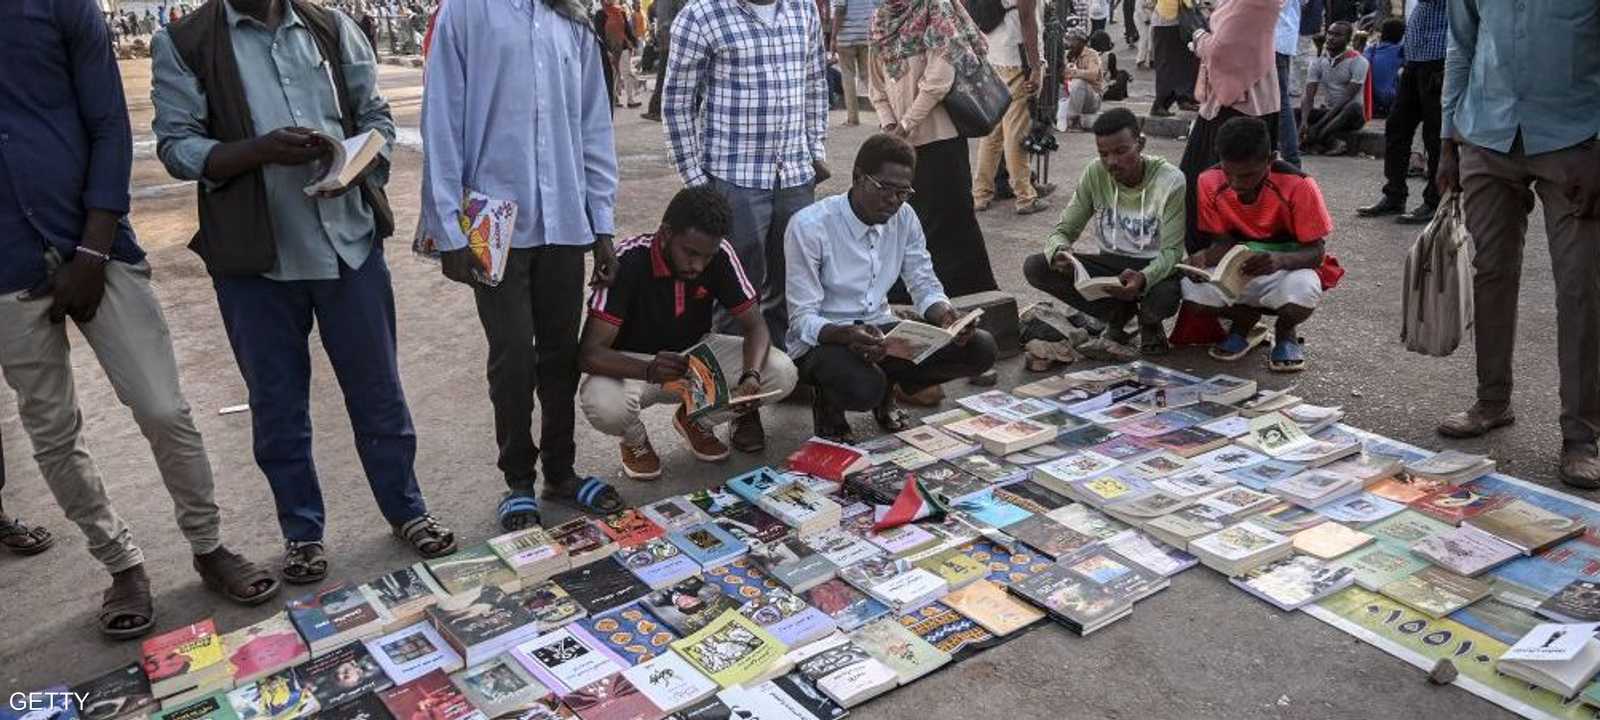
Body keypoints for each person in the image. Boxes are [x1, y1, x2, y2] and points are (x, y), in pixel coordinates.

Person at [152, 0, 458, 580]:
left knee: (378, 392)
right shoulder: (188, 43)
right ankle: (302, 534)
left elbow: (378, 119)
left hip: (349, 244)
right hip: (257, 261)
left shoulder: (331, 27)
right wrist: (257, 152)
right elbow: (176, 146)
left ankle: (407, 511)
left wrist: (357, 160)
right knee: (277, 405)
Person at [6, 0, 280, 639]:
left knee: (162, 408)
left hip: (94, 245)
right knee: (50, 427)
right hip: (6, 267)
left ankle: (209, 547)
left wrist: (95, 247)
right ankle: (121, 564)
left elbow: (107, 123)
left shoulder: (58, 8)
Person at [421, 0, 622, 527]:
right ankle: (517, 479)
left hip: (563, 219)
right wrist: (447, 230)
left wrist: (601, 224)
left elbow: (593, 125)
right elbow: (441, 118)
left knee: (559, 354)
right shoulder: (465, 14)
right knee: (512, 355)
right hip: (492, 220)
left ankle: (561, 471)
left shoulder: (572, 20)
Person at [1433, 0, 1600, 488]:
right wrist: (1448, 139)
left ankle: (1581, 436)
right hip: (1486, 134)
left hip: (1575, 144)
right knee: (1489, 275)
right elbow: (1461, 47)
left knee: (1580, 288)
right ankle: (1491, 401)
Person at [786, 134, 999, 442]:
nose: (894, 201)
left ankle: (889, 386)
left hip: (880, 330)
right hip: (825, 340)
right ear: (858, 177)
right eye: (885, 189)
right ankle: (830, 404)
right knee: (864, 387)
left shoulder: (904, 217)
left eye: (904, 192)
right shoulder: (809, 226)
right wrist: (846, 335)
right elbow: (802, 318)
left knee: (980, 347)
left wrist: (946, 317)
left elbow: (923, 282)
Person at [579, 187, 799, 480]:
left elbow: (755, 326)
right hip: (633, 365)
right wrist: (648, 369)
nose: (698, 265)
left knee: (782, 372)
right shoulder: (628, 260)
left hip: (695, 358)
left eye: (706, 257)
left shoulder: (719, 254)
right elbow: (589, 353)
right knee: (603, 403)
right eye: (691, 253)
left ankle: (697, 420)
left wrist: (751, 377)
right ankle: (634, 441)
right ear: (666, 233)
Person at [664, 0, 830, 348]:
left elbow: (815, 84)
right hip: (732, 178)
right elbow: (677, 102)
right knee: (733, 289)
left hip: (795, 175)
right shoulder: (701, 14)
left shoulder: (803, 8)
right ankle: (732, 383)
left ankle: (784, 368)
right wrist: (696, 181)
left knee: (794, 282)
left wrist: (814, 151)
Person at [1182, 117, 1342, 373]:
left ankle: (1285, 331)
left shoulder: (1299, 184)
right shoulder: (1208, 180)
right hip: (1240, 271)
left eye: (1246, 175)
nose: (1235, 184)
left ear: (1271, 159)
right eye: (1229, 173)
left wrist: (1278, 261)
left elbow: (1316, 252)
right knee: (1191, 291)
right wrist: (1202, 258)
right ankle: (1243, 325)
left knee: (1303, 292)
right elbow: (1222, 242)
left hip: (1287, 270)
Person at [1023, 109, 1186, 359]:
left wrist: (1143, 277)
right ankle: (1118, 319)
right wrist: (1059, 250)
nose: (1111, 161)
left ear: (1140, 144)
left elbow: (1172, 253)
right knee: (1037, 266)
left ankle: (1150, 323)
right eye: (1103, 154)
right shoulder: (1095, 173)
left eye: (1121, 152)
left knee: (1162, 297)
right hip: (1113, 265)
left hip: (1155, 267)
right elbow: (1063, 230)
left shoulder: (1171, 180)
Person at [868, 0, 999, 300]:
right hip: (900, 145)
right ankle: (914, 300)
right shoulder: (880, 19)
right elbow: (876, 83)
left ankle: (972, 301)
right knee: (906, 225)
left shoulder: (935, 9)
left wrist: (905, 125)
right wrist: (889, 125)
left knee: (952, 223)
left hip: (940, 140)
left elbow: (939, 81)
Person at [1177, 0, 1280, 252]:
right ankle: (1206, 255)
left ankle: (1223, 257)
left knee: (1224, 187)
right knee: (1199, 185)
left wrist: (1198, 35)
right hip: (1227, 102)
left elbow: (1223, 50)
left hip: (1241, 104)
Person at [1356, 0, 1444, 224]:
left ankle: (1435, 202)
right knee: (1397, 127)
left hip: (1438, 59)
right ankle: (1394, 194)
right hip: (1415, 59)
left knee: (1434, 136)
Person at [971, 0, 1052, 215]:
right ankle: (1025, 196)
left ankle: (980, 194)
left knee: (992, 133)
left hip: (992, 57)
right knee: (1017, 132)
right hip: (1017, 59)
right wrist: (1035, 67)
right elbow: (1027, 19)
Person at [1298, 21, 1368, 156]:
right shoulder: (1318, 62)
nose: (1331, 38)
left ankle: (1314, 140)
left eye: (1337, 35)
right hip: (1329, 112)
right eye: (1329, 33)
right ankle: (1330, 142)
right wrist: (1304, 121)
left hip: (1350, 115)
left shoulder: (1359, 61)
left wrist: (1317, 126)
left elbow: (1346, 98)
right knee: (1295, 113)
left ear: (1348, 40)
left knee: (1353, 106)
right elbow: (1308, 95)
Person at [831, 0, 878, 127]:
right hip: (866, 35)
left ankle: (852, 119)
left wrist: (833, 37)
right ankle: (883, 115)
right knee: (868, 77)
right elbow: (879, 6)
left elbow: (840, 10)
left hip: (846, 38)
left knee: (848, 77)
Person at [1148, 0, 1198, 118]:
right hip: (1165, 21)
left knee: (1185, 62)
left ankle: (1184, 97)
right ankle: (1160, 104)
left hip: (1182, 18)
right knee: (1166, 65)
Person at [1273, 0, 1304, 166]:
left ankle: (1291, 160)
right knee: (1276, 102)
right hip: (1280, 41)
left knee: (1279, 102)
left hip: (1273, 41)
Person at [598, 0, 641, 108]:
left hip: (623, 47)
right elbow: (599, 35)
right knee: (613, 76)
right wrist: (606, 51)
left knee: (627, 73)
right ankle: (614, 99)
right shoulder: (600, 14)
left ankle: (630, 100)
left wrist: (635, 43)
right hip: (610, 51)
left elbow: (627, 30)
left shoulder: (620, 12)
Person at [1060, 29, 1105, 131]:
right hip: (1073, 96)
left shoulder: (1092, 54)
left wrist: (1074, 73)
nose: (1070, 44)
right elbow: (1062, 75)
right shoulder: (1068, 54)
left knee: (1079, 82)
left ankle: (1074, 120)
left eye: (1073, 41)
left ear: (1081, 42)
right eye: (1069, 41)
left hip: (1093, 98)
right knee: (1061, 86)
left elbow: (1093, 74)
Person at [1362, 16, 1403, 117]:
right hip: (1388, 98)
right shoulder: (1400, 50)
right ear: (1401, 35)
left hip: (1369, 98)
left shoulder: (1370, 49)